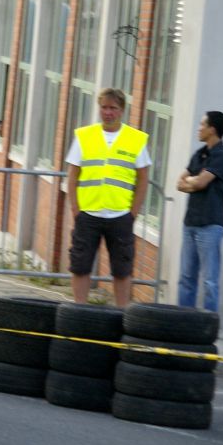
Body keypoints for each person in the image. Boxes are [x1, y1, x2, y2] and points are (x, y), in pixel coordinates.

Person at [66, 88, 151, 307]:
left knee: (122, 268)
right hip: (89, 213)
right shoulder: (84, 136)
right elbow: (73, 175)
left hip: (120, 214)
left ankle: (121, 313)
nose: (108, 112)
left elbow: (143, 179)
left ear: (122, 110)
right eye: (104, 107)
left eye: (113, 108)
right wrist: (76, 210)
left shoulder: (135, 139)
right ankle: (79, 309)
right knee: (80, 264)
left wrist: (133, 213)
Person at [177, 111, 223, 312]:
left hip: (210, 225)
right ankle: (185, 323)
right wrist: (195, 182)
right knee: (186, 278)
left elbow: (200, 182)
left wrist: (194, 181)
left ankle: (207, 327)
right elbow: (179, 183)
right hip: (190, 223)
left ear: (212, 129)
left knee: (209, 281)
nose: (199, 128)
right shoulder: (199, 154)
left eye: (202, 124)